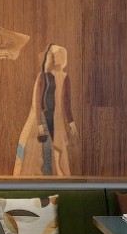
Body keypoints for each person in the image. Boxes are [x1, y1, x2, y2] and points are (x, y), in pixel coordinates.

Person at [14, 44, 79, 175]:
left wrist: (71, 122)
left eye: (59, 55)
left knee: (55, 150)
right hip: (42, 118)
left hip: (55, 119)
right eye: (54, 56)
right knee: (33, 148)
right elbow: (38, 101)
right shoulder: (42, 76)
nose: (56, 58)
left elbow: (66, 101)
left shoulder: (65, 77)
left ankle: (52, 175)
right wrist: (39, 123)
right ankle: (41, 176)